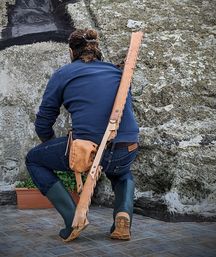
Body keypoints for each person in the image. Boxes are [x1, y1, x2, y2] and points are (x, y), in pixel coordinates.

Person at [25, 28, 139, 242]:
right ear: (97, 49)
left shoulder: (63, 74)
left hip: (87, 148)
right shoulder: (118, 73)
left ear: (71, 52)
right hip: (128, 145)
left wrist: (49, 144)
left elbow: (44, 121)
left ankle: (72, 219)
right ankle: (123, 215)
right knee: (122, 171)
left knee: (33, 160)